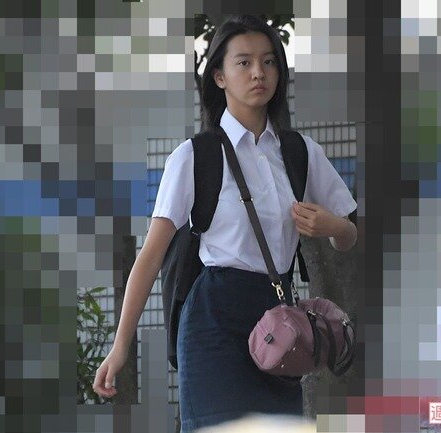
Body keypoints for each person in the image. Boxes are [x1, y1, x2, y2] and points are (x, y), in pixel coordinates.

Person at [93, 15, 357, 432]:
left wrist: (334, 227)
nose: (258, 73)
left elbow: (349, 235)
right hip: (213, 321)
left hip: (280, 322)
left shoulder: (300, 152)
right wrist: (120, 345)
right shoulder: (193, 156)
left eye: (269, 62)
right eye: (244, 62)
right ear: (219, 76)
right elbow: (150, 256)